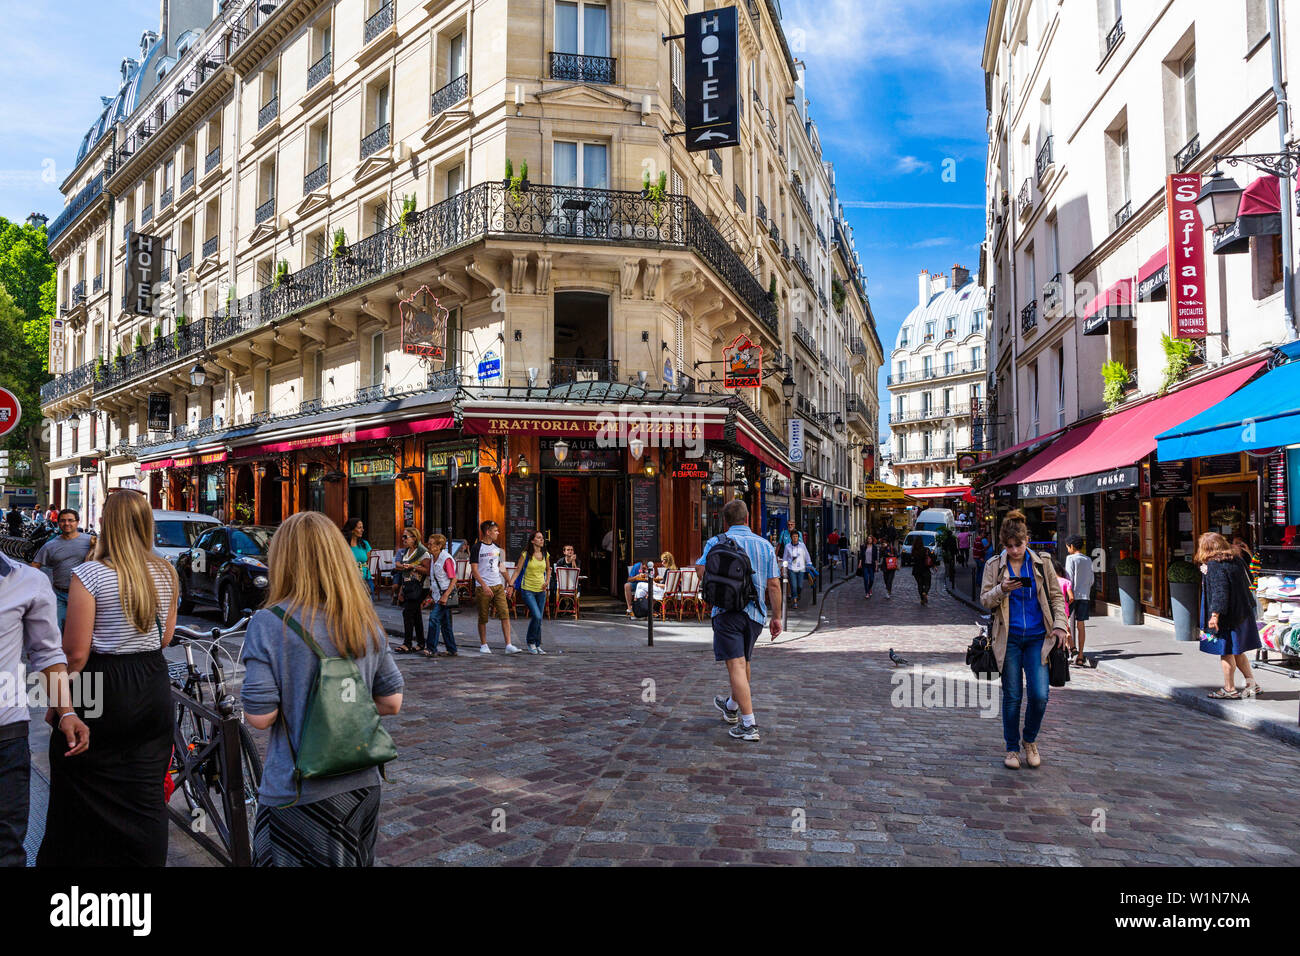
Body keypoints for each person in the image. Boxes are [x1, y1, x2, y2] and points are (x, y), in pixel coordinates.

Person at [240, 511, 404, 866]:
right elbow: (391, 702)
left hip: (299, 791)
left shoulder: (269, 623)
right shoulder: (362, 618)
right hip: (363, 783)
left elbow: (260, 716)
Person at [37, 490, 178, 867]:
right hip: (151, 680)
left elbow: (75, 653)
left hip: (102, 682)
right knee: (146, 792)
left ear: (105, 525)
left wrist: (60, 704)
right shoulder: (166, 571)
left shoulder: (91, 574)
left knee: (78, 780)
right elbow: (165, 638)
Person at [0, 550, 87, 867]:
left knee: (6, 850)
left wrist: (66, 711)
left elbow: (47, 655)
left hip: (5, 738)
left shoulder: (27, 581)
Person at [979, 510, 1069, 771]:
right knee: (1013, 695)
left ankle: (1030, 740)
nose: (1015, 550)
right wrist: (1002, 589)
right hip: (1008, 640)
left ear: (1027, 540)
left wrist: (1061, 626)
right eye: (1009, 546)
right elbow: (984, 599)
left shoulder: (1042, 562)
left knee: (1040, 695)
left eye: (1018, 545)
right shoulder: (994, 565)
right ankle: (1012, 748)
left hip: (1038, 639)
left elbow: (1055, 597)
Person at [697, 499, 782, 742]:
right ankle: (732, 706)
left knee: (736, 665)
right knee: (743, 664)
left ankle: (749, 724)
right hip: (755, 614)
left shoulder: (715, 542)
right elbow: (774, 584)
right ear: (748, 519)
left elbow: (701, 572)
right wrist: (776, 617)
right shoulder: (764, 545)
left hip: (726, 612)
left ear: (726, 521)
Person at [1198, 532, 1263, 700]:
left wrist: (1214, 616)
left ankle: (1229, 689)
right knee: (1238, 651)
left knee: (1226, 651)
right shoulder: (1236, 560)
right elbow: (1248, 578)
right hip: (1242, 613)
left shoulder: (1214, 565)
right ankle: (1252, 685)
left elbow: (1220, 592)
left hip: (1226, 617)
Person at [31, 509, 94, 630]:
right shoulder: (50, 545)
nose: (66, 523)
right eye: (63, 521)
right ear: (58, 523)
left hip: (83, 596)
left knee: (80, 631)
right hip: (59, 594)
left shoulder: (90, 541)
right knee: (55, 631)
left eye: (70, 520)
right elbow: (35, 565)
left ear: (77, 522)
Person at [470, 520, 519, 654]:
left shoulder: (497, 548)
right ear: (488, 532)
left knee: (505, 614)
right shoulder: (476, 548)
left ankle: (508, 644)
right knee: (483, 616)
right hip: (482, 586)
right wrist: (484, 585)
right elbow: (474, 570)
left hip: (497, 585)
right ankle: (483, 644)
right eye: (495, 530)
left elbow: (501, 566)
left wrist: (509, 583)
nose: (498, 533)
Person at [512, 531, 551, 654]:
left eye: (542, 538)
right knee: (537, 616)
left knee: (538, 618)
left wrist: (547, 581)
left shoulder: (545, 554)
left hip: (541, 590)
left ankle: (538, 645)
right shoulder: (526, 555)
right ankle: (530, 642)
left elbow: (548, 570)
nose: (542, 540)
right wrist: (510, 584)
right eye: (539, 538)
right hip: (528, 589)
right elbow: (517, 571)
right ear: (532, 541)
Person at [393, 528, 430, 655]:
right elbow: (402, 571)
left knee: (407, 613)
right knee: (415, 614)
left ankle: (407, 643)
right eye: (403, 537)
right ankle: (420, 643)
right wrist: (401, 590)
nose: (403, 539)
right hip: (408, 586)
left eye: (406, 537)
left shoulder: (423, 552)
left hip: (420, 587)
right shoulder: (406, 552)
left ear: (414, 538)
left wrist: (413, 567)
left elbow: (428, 570)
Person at [425, 533, 459, 656]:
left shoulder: (446, 558)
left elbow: (453, 579)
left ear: (439, 546)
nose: (428, 546)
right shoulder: (433, 557)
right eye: (428, 543)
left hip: (445, 594)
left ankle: (431, 648)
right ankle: (451, 648)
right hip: (437, 594)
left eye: (431, 544)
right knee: (445, 623)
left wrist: (445, 595)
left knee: (434, 619)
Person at [1064, 535, 1094, 667]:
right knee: (1081, 625)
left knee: (1065, 622)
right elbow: (1091, 579)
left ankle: (1072, 649)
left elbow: (1068, 577)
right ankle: (1081, 655)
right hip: (1084, 595)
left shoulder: (1070, 559)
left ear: (1071, 546)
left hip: (1072, 595)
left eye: (1067, 546)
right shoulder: (1087, 559)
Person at [784, 530, 814, 610]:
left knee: (800, 586)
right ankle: (795, 601)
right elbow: (785, 558)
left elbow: (806, 555)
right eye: (794, 537)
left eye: (796, 536)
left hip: (801, 568)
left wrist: (809, 563)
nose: (795, 538)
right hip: (791, 568)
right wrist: (784, 568)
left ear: (798, 537)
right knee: (793, 586)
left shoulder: (802, 545)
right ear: (791, 538)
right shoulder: (787, 546)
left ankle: (798, 595)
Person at [342, 518, 373, 592]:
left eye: (362, 527)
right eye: (359, 528)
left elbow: (366, 563)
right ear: (352, 530)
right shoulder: (343, 545)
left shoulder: (365, 544)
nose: (362, 530)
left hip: (366, 580)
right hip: (350, 581)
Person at [912, 541, 935, 606]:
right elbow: (932, 558)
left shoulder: (914, 550)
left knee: (920, 584)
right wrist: (933, 566)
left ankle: (922, 599)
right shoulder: (926, 549)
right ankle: (925, 592)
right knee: (928, 583)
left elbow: (912, 559)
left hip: (916, 570)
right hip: (925, 569)